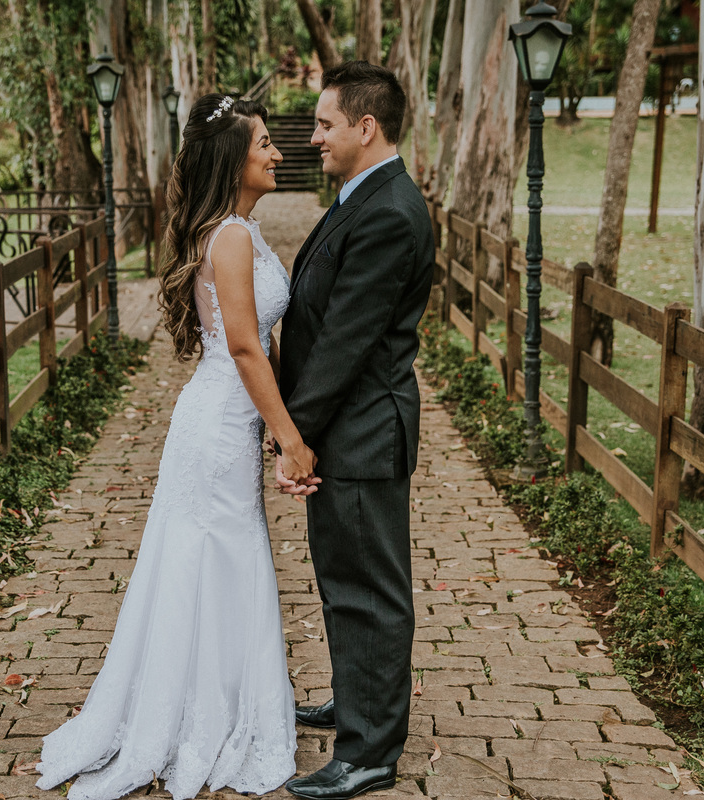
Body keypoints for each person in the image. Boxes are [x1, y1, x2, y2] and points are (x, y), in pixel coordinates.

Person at [36, 93, 313, 800]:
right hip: (218, 427)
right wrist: (290, 440)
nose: (277, 153)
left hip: (222, 419)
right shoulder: (230, 238)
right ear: (233, 159)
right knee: (217, 559)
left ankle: (208, 703)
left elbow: (259, 344)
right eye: (264, 144)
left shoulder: (237, 231)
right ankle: (203, 717)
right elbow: (245, 348)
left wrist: (277, 424)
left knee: (213, 562)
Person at [275, 61, 435, 800]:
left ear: (366, 127)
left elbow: (345, 340)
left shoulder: (390, 212)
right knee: (345, 582)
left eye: (325, 124)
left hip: (363, 432)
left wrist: (294, 433)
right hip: (348, 430)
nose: (315, 138)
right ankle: (357, 700)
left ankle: (370, 752)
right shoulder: (363, 197)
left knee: (369, 590)